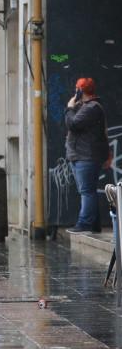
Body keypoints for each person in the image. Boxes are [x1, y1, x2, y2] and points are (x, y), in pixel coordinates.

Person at [66, 77, 110, 233]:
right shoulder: (85, 107)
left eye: (76, 89)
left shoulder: (91, 108)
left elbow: (73, 124)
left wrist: (70, 108)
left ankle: (84, 224)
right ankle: (95, 224)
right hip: (81, 156)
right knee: (88, 190)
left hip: (86, 156)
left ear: (80, 90)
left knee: (86, 191)